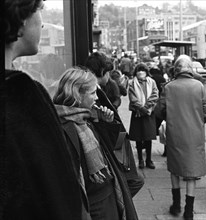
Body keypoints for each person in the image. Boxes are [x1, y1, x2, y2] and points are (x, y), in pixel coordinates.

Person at [3, 0, 85, 219]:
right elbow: (57, 193)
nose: (42, 23)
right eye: (39, 10)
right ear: (19, 19)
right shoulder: (20, 94)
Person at [53, 67, 138, 220]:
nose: (97, 98)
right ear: (77, 95)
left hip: (110, 195)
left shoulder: (90, 118)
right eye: (92, 93)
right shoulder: (63, 127)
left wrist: (110, 124)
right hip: (92, 204)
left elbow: (121, 153)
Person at [155, 55, 206, 220]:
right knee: (192, 172)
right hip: (195, 134)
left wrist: (171, 117)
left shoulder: (169, 87)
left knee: (175, 168)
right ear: (190, 68)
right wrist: (197, 121)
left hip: (175, 133)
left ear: (176, 69)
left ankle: (176, 204)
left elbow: (159, 111)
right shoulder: (199, 86)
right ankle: (189, 210)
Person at [84, 52, 144, 198]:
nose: (109, 76)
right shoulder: (92, 92)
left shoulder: (99, 89)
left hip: (116, 141)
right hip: (112, 143)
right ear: (102, 72)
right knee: (133, 181)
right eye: (108, 72)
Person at [128, 63, 159, 169]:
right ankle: (140, 160)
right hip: (138, 113)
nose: (141, 72)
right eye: (139, 70)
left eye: (143, 70)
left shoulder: (152, 82)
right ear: (135, 72)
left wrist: (146, 107)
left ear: (147, 72)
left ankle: (149, 159)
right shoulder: (132, 83)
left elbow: (155, 94)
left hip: (148, 113)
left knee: (148, 137)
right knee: (138, 137)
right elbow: (132, 97)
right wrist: (141, 108)